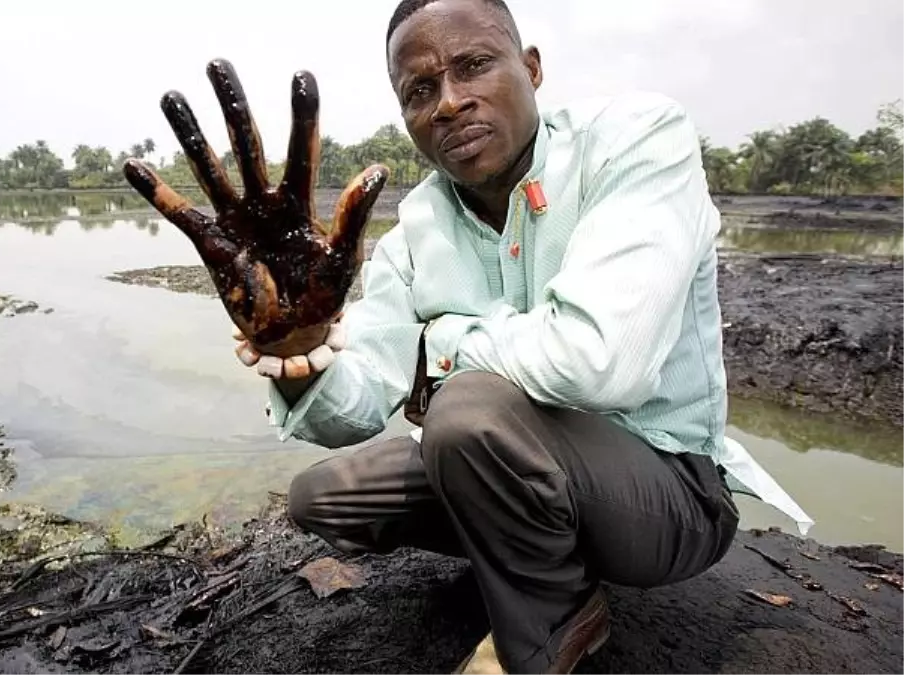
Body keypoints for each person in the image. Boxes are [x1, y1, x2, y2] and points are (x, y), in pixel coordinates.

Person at [125, 0, 813, 672]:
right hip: (525, 465)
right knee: (324, 495)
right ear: (407, 117)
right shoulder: (418, 227)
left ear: (532, 68)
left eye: (474, 65)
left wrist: (441, 346)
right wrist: (297, 347)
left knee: (464, 411)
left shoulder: (633, 139)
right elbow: (360, 398)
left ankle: (552, 623)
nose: (449, 102)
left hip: (667, 493)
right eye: (420, 89)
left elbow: (600, 363)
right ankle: (527, 548)